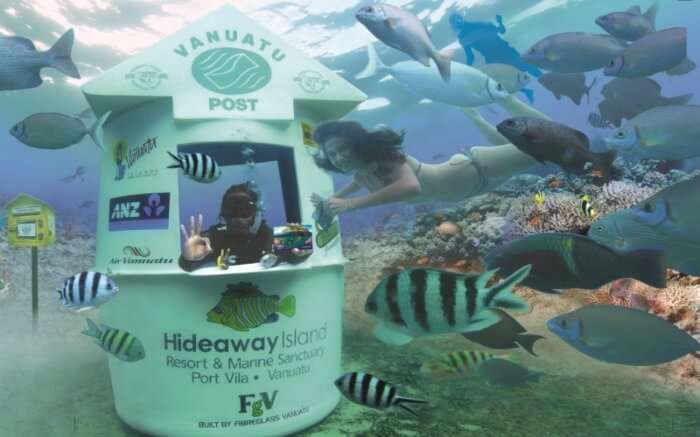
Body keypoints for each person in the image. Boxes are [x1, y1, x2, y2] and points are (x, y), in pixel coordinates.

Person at [310, 95, 551, 216]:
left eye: (343, 149)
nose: (339, 157)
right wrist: (330, 201)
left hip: (477, 167)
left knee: (551, 141)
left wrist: (350, 204)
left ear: (356, 144)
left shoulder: (386, 156)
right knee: (527, 149)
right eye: (332, 154)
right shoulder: (362, 172)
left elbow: (411, 186)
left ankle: (503, 97)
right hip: (475, 188)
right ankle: (477, 117)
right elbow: (358, 182)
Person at [179, 182, 273, 272]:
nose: (237, 218)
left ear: (255, 213)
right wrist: (188, 258)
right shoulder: (216, 236)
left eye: (244, 212)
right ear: (224, 214)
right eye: (231, 212)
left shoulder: (267, 235)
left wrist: (287, 253)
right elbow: (187, 267)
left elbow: (284, 261)